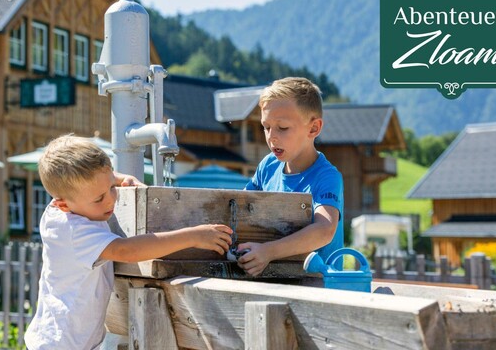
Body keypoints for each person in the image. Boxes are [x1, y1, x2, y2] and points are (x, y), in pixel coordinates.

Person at [24, 134, 232, 350]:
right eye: (99, 198)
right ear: (64, 205)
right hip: (62, 344)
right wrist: (192, 236)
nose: (111, 199)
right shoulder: (75, 232)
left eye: (111, 188)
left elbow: (100, 180)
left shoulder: (63, 205)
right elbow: (126, 250)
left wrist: (122, 179)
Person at [238, 77, 344, 276]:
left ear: (313, 128)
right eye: (266, 127)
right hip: (277, 282)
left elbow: (324, 230)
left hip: (322, 288)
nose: (271, 137)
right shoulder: (268, 166)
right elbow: (240, 206)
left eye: (283, 128)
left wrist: (268, 251)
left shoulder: (328, 177)